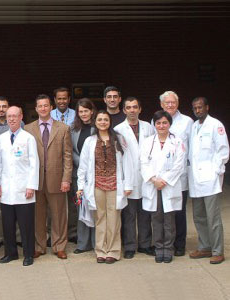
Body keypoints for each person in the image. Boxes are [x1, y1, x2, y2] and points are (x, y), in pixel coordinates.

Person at [77, 110, 133, 263]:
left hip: (115, 185)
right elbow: (83, 166)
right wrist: (80, 187)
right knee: (100, 218)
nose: (103, 122)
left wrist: (128, 184)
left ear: (110, 122)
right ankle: (101, 250)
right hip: (97, 186)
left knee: (114, 218)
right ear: (95, 122)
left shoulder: (119, 140)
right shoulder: (90, 141)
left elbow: (127, 163)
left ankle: (113, 251)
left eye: (105, 120)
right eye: (100, 120)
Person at [25, 94, 72, 260]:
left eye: (46, 105)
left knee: (59, 214)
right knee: (38, 215)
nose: (43, 108)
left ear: (51, 107)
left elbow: (67, 156)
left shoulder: (63, 128)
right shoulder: (28, 129)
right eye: (40, 106)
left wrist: (66, 179)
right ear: (36, 109)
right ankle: (40, 246)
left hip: (57, 179)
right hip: (35, 180)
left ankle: (59, 246)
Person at [140, 110, 185, 263]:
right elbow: (143, 163)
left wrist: (164, 180)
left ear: (169, 124)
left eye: (164, 122)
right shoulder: (147, 142)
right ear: (154, 125)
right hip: (153, 186)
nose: (161, 125)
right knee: (156, 219)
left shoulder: (177, 142)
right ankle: (159, 249)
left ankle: (168, 249)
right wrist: (154, 180)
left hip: (168, 186)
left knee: (169, 221)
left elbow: (179, 165)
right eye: (158, 123)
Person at [188, 97, 229, 264]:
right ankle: (204, 246)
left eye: (200, 107)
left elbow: (223, 151)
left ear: (207, 107)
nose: (198, 110)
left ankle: (218, 250)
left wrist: (216, 171)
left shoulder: (216, 125)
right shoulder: (194, 126)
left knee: (213, 217)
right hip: (196, 179)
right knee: (198, 216)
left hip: (210, 177)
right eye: (195, 108)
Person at [0, 106, 39, 266]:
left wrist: (31, 186)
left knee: (26, 225)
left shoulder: (28, 138)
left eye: (15, 116)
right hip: (6, 189)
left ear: (21, 117)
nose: (12, 119)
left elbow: (34, 164)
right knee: (7, 224)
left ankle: (28, 254)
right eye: (9, 116)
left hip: (24, 189)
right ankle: (11, 253)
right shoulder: (1, 138)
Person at [114, 97, 155, 258]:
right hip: (128, 177)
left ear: (140, 109)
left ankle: (145, 244)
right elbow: (119, 156)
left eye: (135, 107)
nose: (132, 110)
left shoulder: (148, 127)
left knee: (145, 213)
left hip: (146, 177)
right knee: (129, 214)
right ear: (124, 110)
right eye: (128, 107)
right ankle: (130, 246)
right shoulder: (118, 129)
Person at [157, 91, 193, 256]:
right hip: (161, 177)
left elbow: (192, 149)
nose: (170, 105)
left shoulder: (187, 122)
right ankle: (165, 243)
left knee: (179, 211)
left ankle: (179, 244)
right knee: (163, 211)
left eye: (173, 102)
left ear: (177, 104)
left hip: (180, 175)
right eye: (167, 103)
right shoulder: (156, 121)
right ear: (162, 105)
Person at [0, 96, 24, 249]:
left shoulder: (20, 123)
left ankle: (17, 237)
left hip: (16, 170)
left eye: (5, 106)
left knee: (16, 204)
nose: (2, 109)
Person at [70, 98, 96, 253]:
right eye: (81, 111)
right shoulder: (73, 129)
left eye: (86, 110)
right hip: (78, 175)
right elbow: (70, 150)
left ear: (92, 111)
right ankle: (82, 243)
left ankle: (95, 242)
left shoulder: (98, 127)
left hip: (96, 175)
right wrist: (82, 161)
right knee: (81, 208)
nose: (84, 114)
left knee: (94, 207)